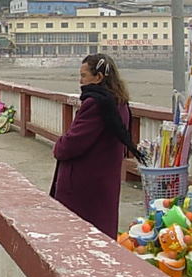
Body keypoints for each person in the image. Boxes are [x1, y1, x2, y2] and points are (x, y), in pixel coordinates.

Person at [50, 54, 145, 237]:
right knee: (102, 234)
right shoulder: (120, 103)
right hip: (105, 181)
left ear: (99, 77)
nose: (80, 81)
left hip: (84, 184)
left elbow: (71, 145)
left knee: (78, 235)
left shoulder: (95, 104)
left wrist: (59, 145)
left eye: (84, 75)